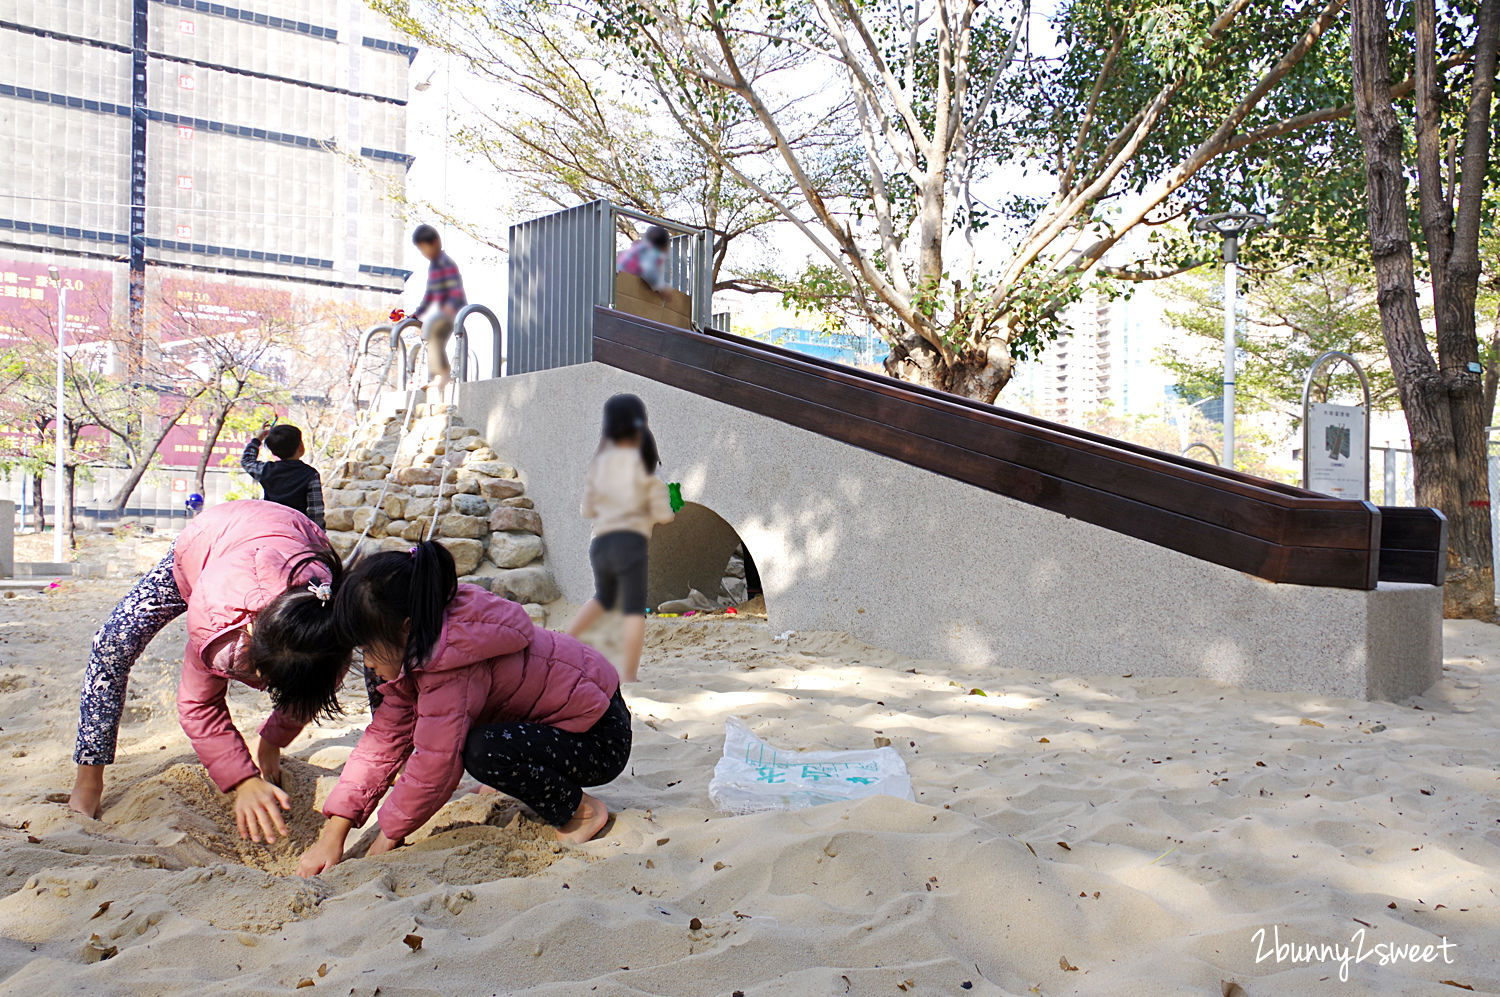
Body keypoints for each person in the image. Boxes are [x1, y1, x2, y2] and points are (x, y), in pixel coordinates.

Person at [295, 541, 630, 876]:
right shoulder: (428, 643)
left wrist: (389, 835)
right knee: (482, 743)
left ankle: (581, 813)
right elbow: (383, 741)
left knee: (481, 750)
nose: (367, 662)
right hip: (578, 720)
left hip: (600, 738)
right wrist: (333, 834)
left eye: (368, 649)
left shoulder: (451, 664)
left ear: (406, 628)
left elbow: (435, 765)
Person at [68, 501, 352, 842]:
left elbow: (312, 691)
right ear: (249, 645)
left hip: (295, 536)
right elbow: (199, 704)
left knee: (308, 679)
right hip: (208, 540)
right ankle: (88, 779)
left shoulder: (330, 632)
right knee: (112, 643)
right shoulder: (217, 627)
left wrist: (271, 743)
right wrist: (242, 780)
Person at [567, 394, 674, 683]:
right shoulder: (651, 474)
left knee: (603, 598)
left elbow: (585, 509)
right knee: (633, 609)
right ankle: (628, 674)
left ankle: (565, 642)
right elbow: (664, 514)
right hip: (631, 545)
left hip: (600, 543)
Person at [410, 224, 467, 399]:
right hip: (446, 310)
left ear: (435, 242)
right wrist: (418, 313)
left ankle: (443, 375)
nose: (424, 253)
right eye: (421, 250)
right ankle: (439, 375)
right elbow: (430, 294)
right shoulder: (433, 266)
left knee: (433, 334)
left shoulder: (445, 262)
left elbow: (455, 288)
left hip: (455, 309)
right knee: (431, 337)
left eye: (424, 248)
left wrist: (450, 308)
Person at [242, 422, 324, 529]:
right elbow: (316, 512)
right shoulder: (311, 474)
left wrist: (258, 439)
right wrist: (320, 537)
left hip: (270, 526)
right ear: (301, 447)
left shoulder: (265, 470)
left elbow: (247, 461)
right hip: (297, 529)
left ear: (273, 451)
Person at [616, 225, 674, 304]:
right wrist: (662, 288)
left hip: (616, 279)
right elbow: (648, 272)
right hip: (624, 285)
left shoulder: (638, 248)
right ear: (663, 246)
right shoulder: (651, 251)